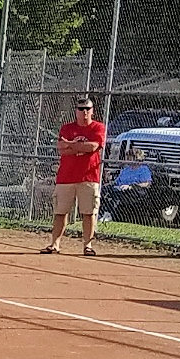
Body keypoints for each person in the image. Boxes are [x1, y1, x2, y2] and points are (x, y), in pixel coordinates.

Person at [45, 96, 106, 256]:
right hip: (66, 177)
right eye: (81, 109)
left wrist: (71, 144)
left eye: (87, 109)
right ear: (76, 111)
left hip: (89, 177)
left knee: (88, 212)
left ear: (92, 111)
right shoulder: (67, 128)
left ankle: (88, 245)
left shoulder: (98, 127)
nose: (84, 112)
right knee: (60, 212)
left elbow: (93, 146)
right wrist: (80, 147)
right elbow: (61, 148)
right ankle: (55, 244)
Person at [102, 145, 153, 220]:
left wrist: (130, 186)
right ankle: (104, 213)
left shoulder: (143, 169)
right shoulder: (126, 169)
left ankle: (110, 215)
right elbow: (117, 181)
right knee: (105, 191)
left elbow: (147, 183)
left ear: (137, 157)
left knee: (118, 195)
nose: (128, 159)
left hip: (135, 191)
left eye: (130, 157)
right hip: (120, 188)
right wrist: (108, 185)